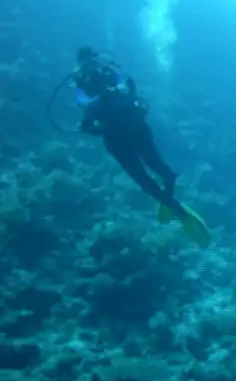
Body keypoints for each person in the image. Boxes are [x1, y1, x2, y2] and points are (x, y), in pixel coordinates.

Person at [73, 46, 210, 247]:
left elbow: (89, 117)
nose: (91, 68)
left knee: (143, 176)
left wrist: (94, 126)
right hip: (134, 129)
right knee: (153, 167)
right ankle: (170, 191)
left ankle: (174, 206)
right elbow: (125, 92)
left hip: (120, 137)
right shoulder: (99, 77)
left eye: (91, 63)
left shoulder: (99, 77)